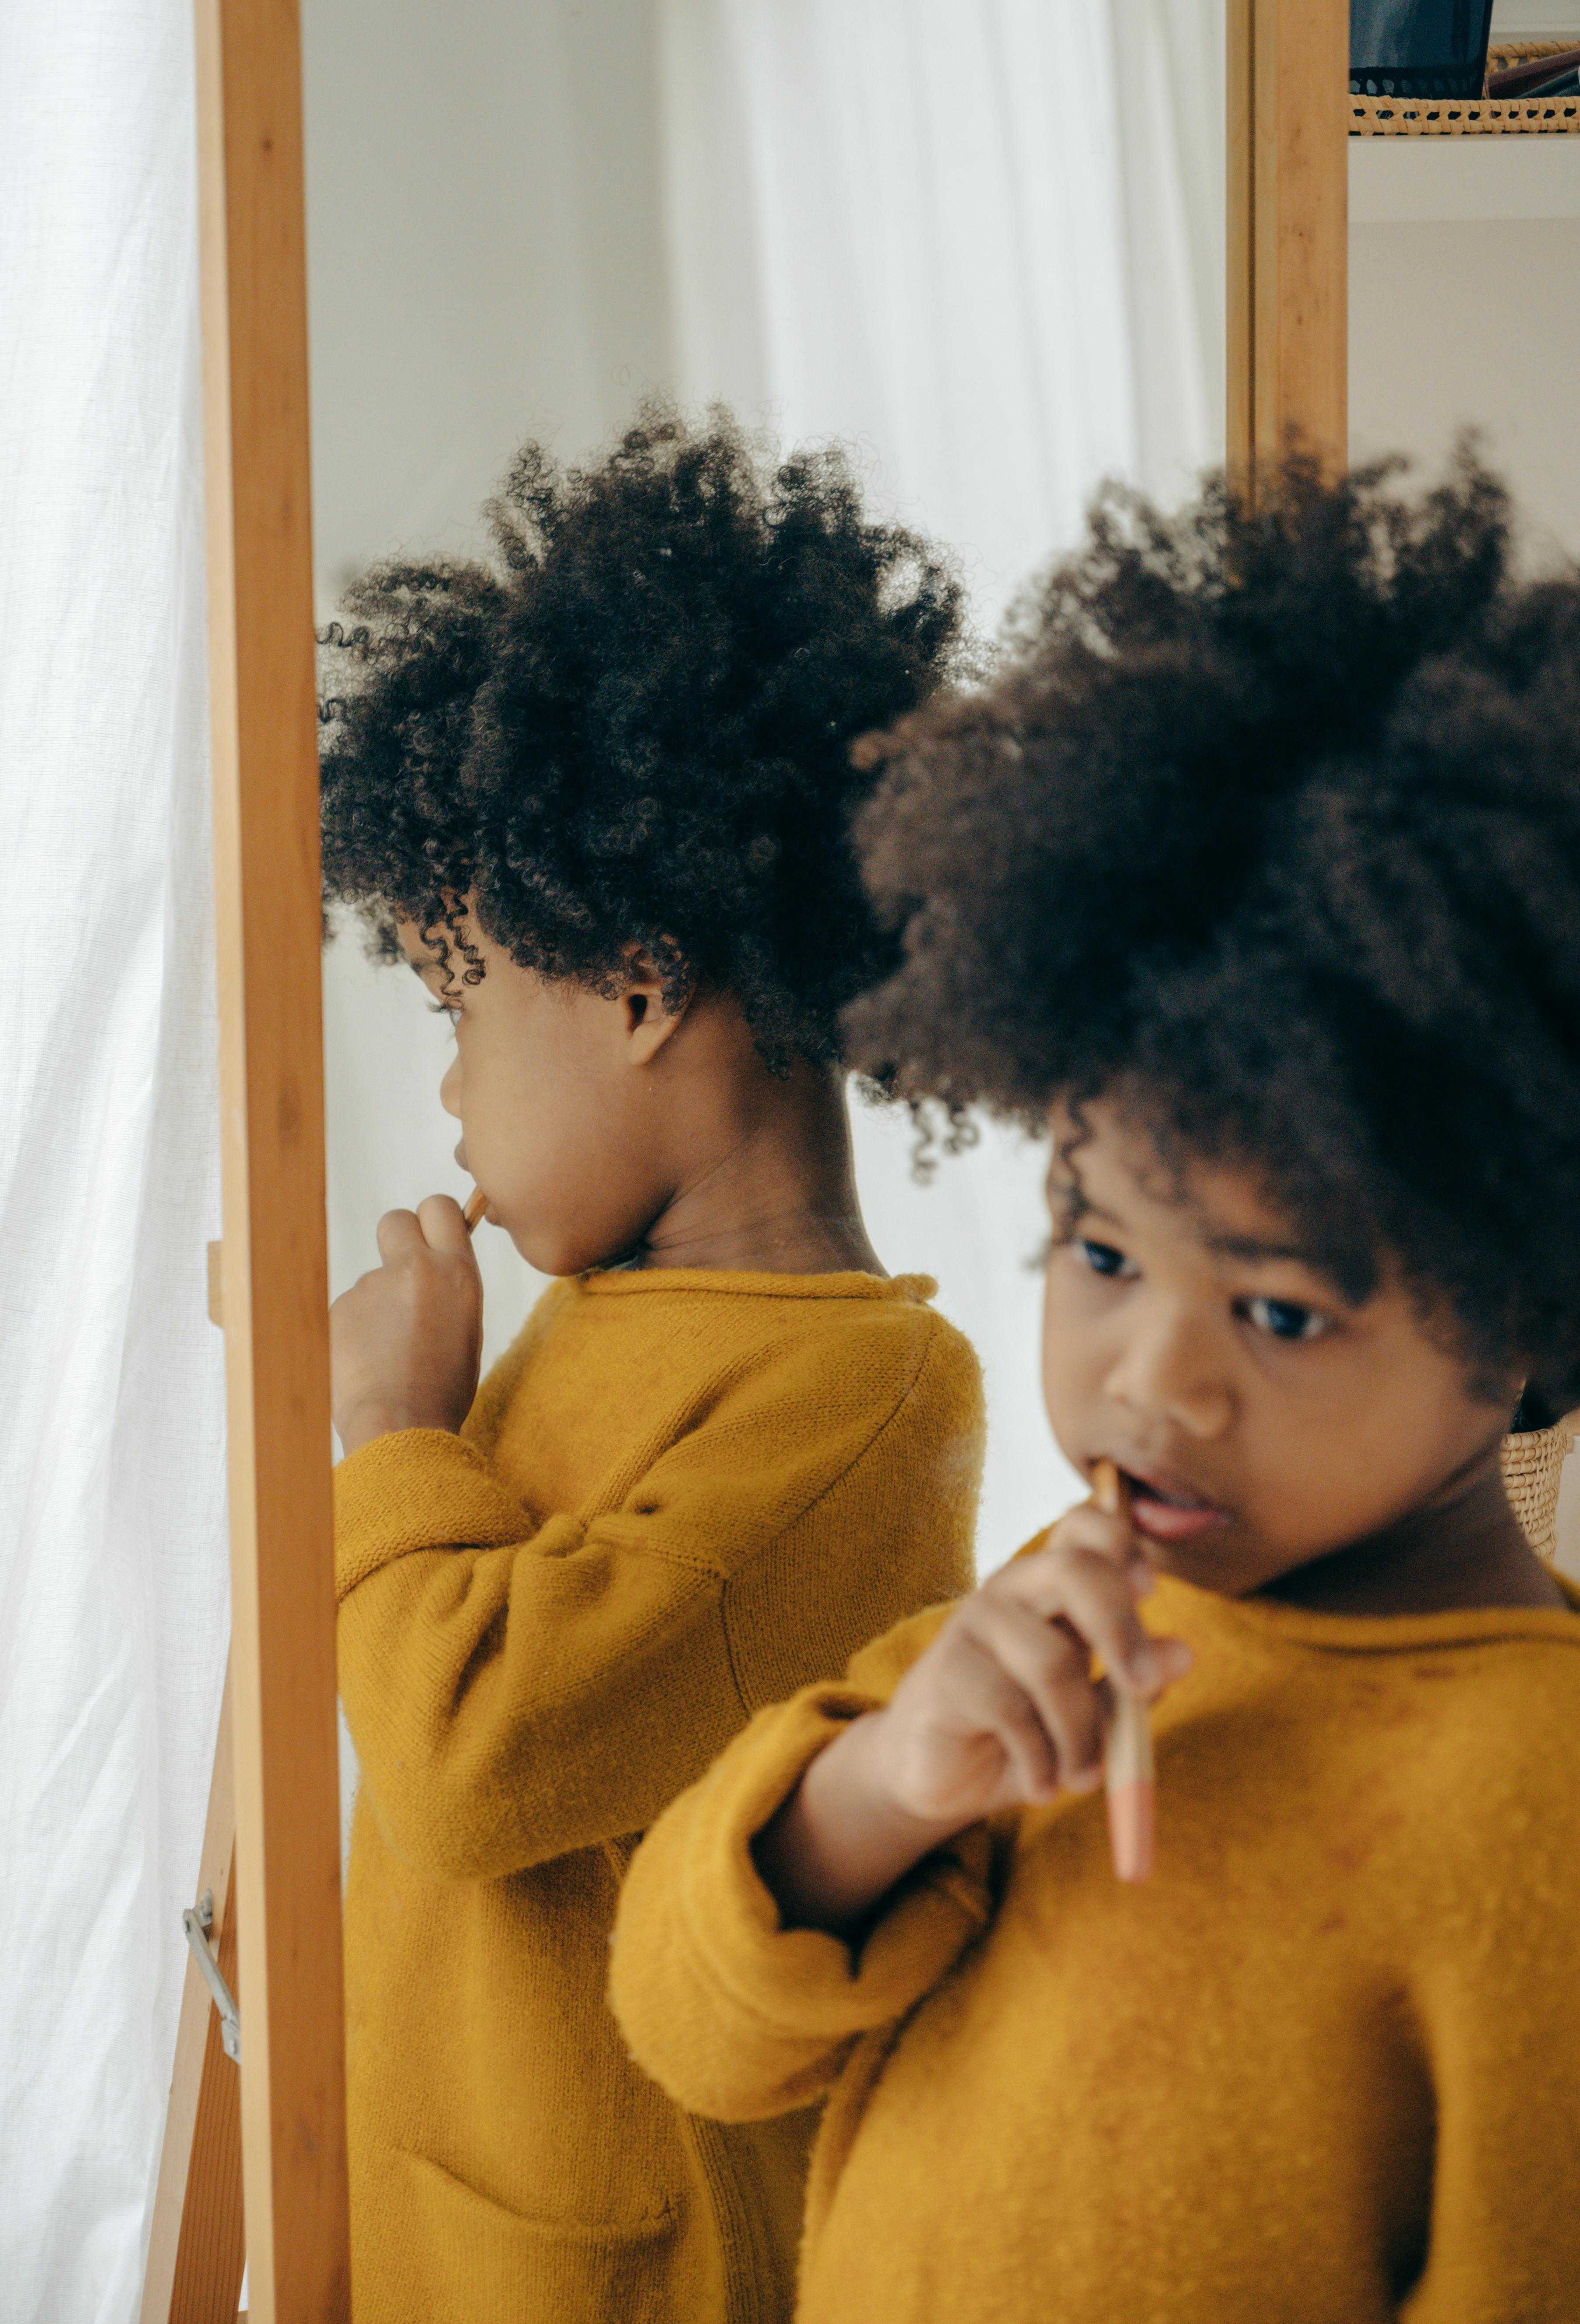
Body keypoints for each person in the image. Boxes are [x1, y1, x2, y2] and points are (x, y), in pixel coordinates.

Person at [609, 450, 1580, 2324]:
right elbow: (692, 2030)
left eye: (1280, 1312)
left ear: (1525, 1309)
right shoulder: (1045, 1614)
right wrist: (878, 1793)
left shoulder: (1534, 1808)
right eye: (1103, 1250)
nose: (1148, 1376)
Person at [318, 408, 984, 2324]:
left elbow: (473, 1755)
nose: (443, 1081)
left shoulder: (853, 1403)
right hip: (472, 2188)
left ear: (634, 979)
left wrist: (390, 1430)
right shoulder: (615, 1295)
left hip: (623, 2273)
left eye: (459, 1007)